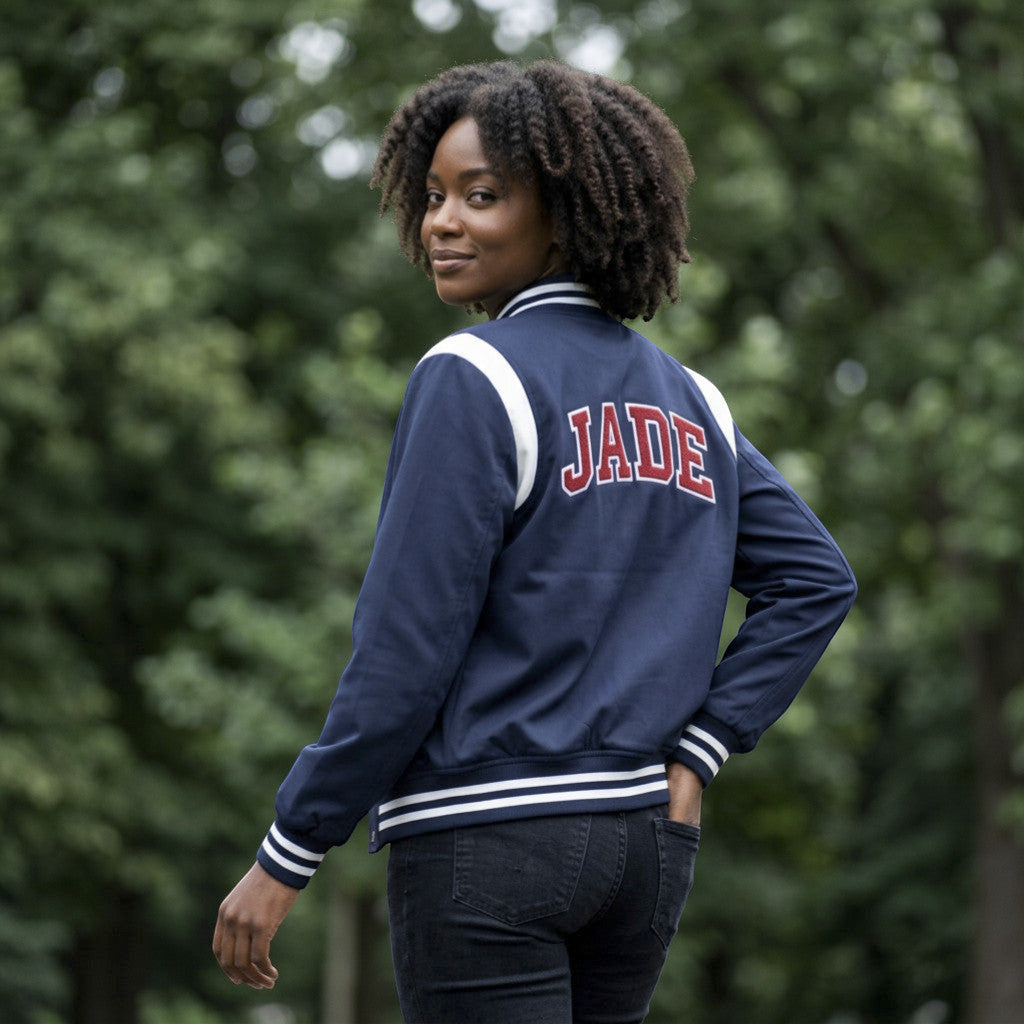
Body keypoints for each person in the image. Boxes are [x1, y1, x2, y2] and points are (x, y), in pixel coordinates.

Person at [213, 59, 857, 1023]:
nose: (441, 221)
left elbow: (404, 656)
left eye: (482, 196)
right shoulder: (696, 403)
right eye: (433, 196)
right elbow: (818, 580)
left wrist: (290, 849)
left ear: (561, 212)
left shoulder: (470, 376)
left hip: (488, 841)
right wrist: (700, 753)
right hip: (643, 845)